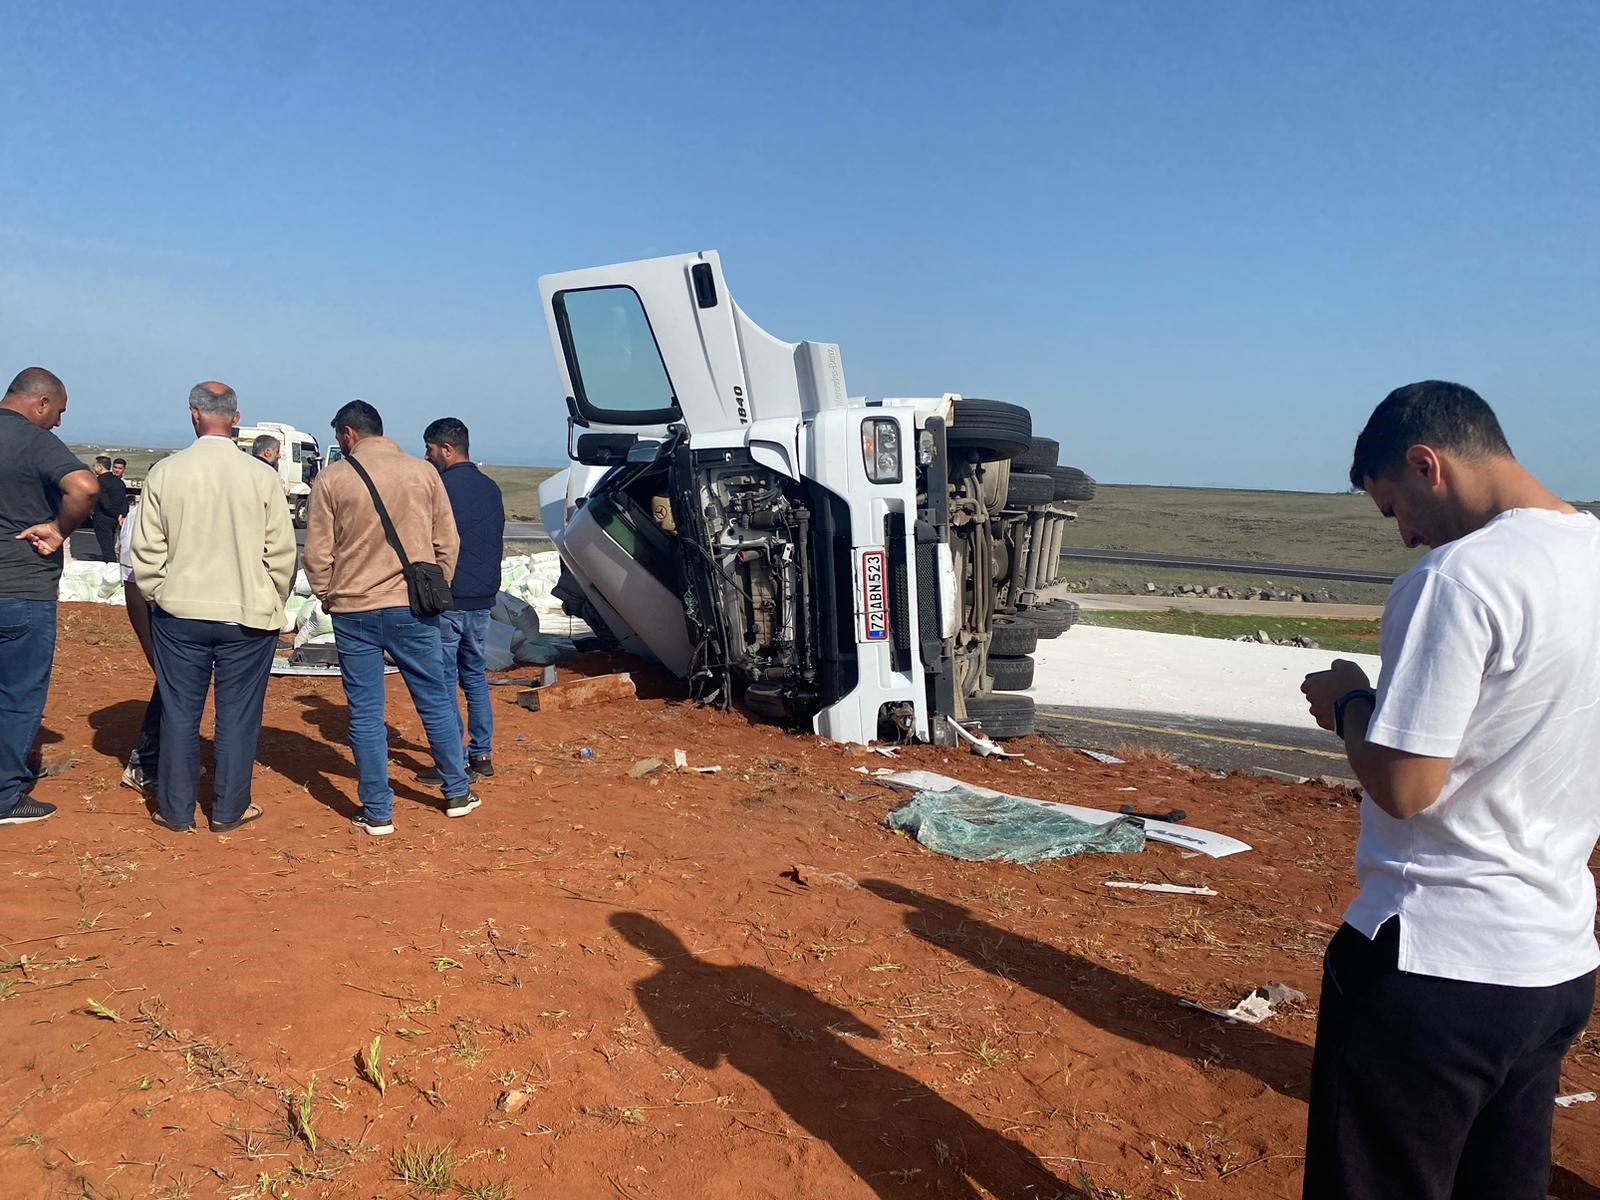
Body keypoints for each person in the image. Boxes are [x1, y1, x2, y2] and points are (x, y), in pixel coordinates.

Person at [1299, 381, 1600, 1199]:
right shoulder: (1593, 556)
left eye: (1396, 507)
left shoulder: (1458, 581)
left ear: (1427, 463)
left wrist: (1350, 704)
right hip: (1555, 962)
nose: (1405, 536)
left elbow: (1406, 786)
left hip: (1437, 964)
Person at [303, 400, 477, 835]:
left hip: (353, 609)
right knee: (435, 697)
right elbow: (447, 542)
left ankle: (378, 811)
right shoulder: (423, 473)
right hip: (412, 607)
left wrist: (327, 594)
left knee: (364, 711)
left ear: (347, 435)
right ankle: (456, 790)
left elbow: (317, 553)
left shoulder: (332, 478)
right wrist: (436, 587)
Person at [130, 382, 296, 833]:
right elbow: (281, 552)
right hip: (247, 614)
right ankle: (229, 809)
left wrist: (160, 592)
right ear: (236, 417)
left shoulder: (166, 472)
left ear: (193, 415)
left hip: (180, 613)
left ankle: (176, 809)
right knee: (239, 714)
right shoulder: (261, 476)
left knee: (179, 712)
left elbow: (146, 550)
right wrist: (270, 597)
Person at [0, 368, 98, 826]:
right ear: (40, 403)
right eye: (58, 411)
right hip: (20, 586)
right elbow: (84, 486)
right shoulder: (31, 441)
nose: (57, 422)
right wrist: (60, 530)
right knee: (18, 694)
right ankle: (4, 796)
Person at [420, 417, 504, 782]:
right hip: (483, 597)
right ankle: (481, 754)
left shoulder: (441, 487)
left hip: (449, 598)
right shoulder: (491, 487)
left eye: (430, 449)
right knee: (474, 676)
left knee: (442, 680)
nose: (427, 456)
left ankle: (452, 760)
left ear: (447, 449)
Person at [117, 492, 161, 797]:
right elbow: (133, 580)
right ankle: (144, 763)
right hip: (154, 605)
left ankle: (166, 758)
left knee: (181, 684)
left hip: (180, 607)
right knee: (172, 683)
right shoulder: (142, 513)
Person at [90, 454, 128, 562]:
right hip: (114, 520)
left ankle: (111, 571)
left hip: (103, 518)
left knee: (107, 550)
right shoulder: (119, 482)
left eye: (95, 466)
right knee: (111, 545)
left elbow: (105, 503)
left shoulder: (100, 481)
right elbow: (124, 501)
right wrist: (122, 515)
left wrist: (116, 514)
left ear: (100, 467)